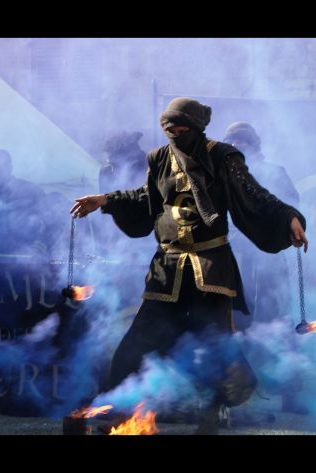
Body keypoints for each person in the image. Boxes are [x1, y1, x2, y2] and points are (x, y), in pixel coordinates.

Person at [70, 97, 308, 434]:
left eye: (182, 130)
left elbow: (253, 194)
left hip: (210, 269)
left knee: (214, 347)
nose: (176, 135)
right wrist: (105, 200)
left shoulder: (222, 157)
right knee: (136, 343)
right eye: (170, 130)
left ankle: (218, 409)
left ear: (196, 128)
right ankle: (123, 412)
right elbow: (145, 198)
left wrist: (289, 217)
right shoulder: (159, 158)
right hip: (166, 269)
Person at [222, 121, 308, 416]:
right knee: (234, 324)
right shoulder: (224, 175)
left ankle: (289, 393)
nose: (236, 148)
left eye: (241, 143)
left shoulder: (275, 173)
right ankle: (233, 398)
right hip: (237, 260)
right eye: (232, 144)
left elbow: (291, 206)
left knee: (278, 326)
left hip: (268, 260)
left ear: (252, 145)